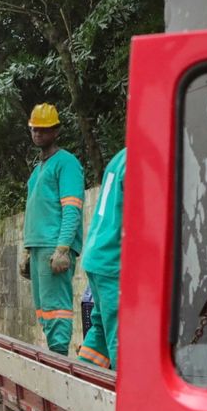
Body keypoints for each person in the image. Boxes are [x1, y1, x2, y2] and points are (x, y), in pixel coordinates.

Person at [21, 103, 84, 355]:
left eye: (44, 129)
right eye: (35, 128)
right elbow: (34, 212)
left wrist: (62, 248)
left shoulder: (66, 163)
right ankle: (54, 357)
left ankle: (59, 359)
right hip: (38, 247)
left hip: (53, 246)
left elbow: (72, 208)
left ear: (56, 131)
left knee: (56, 309)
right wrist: (27, 251)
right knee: (44, 310)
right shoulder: (37, 171)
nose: (38, 133)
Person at [78, 148, 126, 370]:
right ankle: (125, 398)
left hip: (98, 256)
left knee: (100, 326)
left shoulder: (121, 156)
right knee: (123, 334)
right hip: (114, 260)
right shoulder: (143, 159)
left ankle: (81, 382)